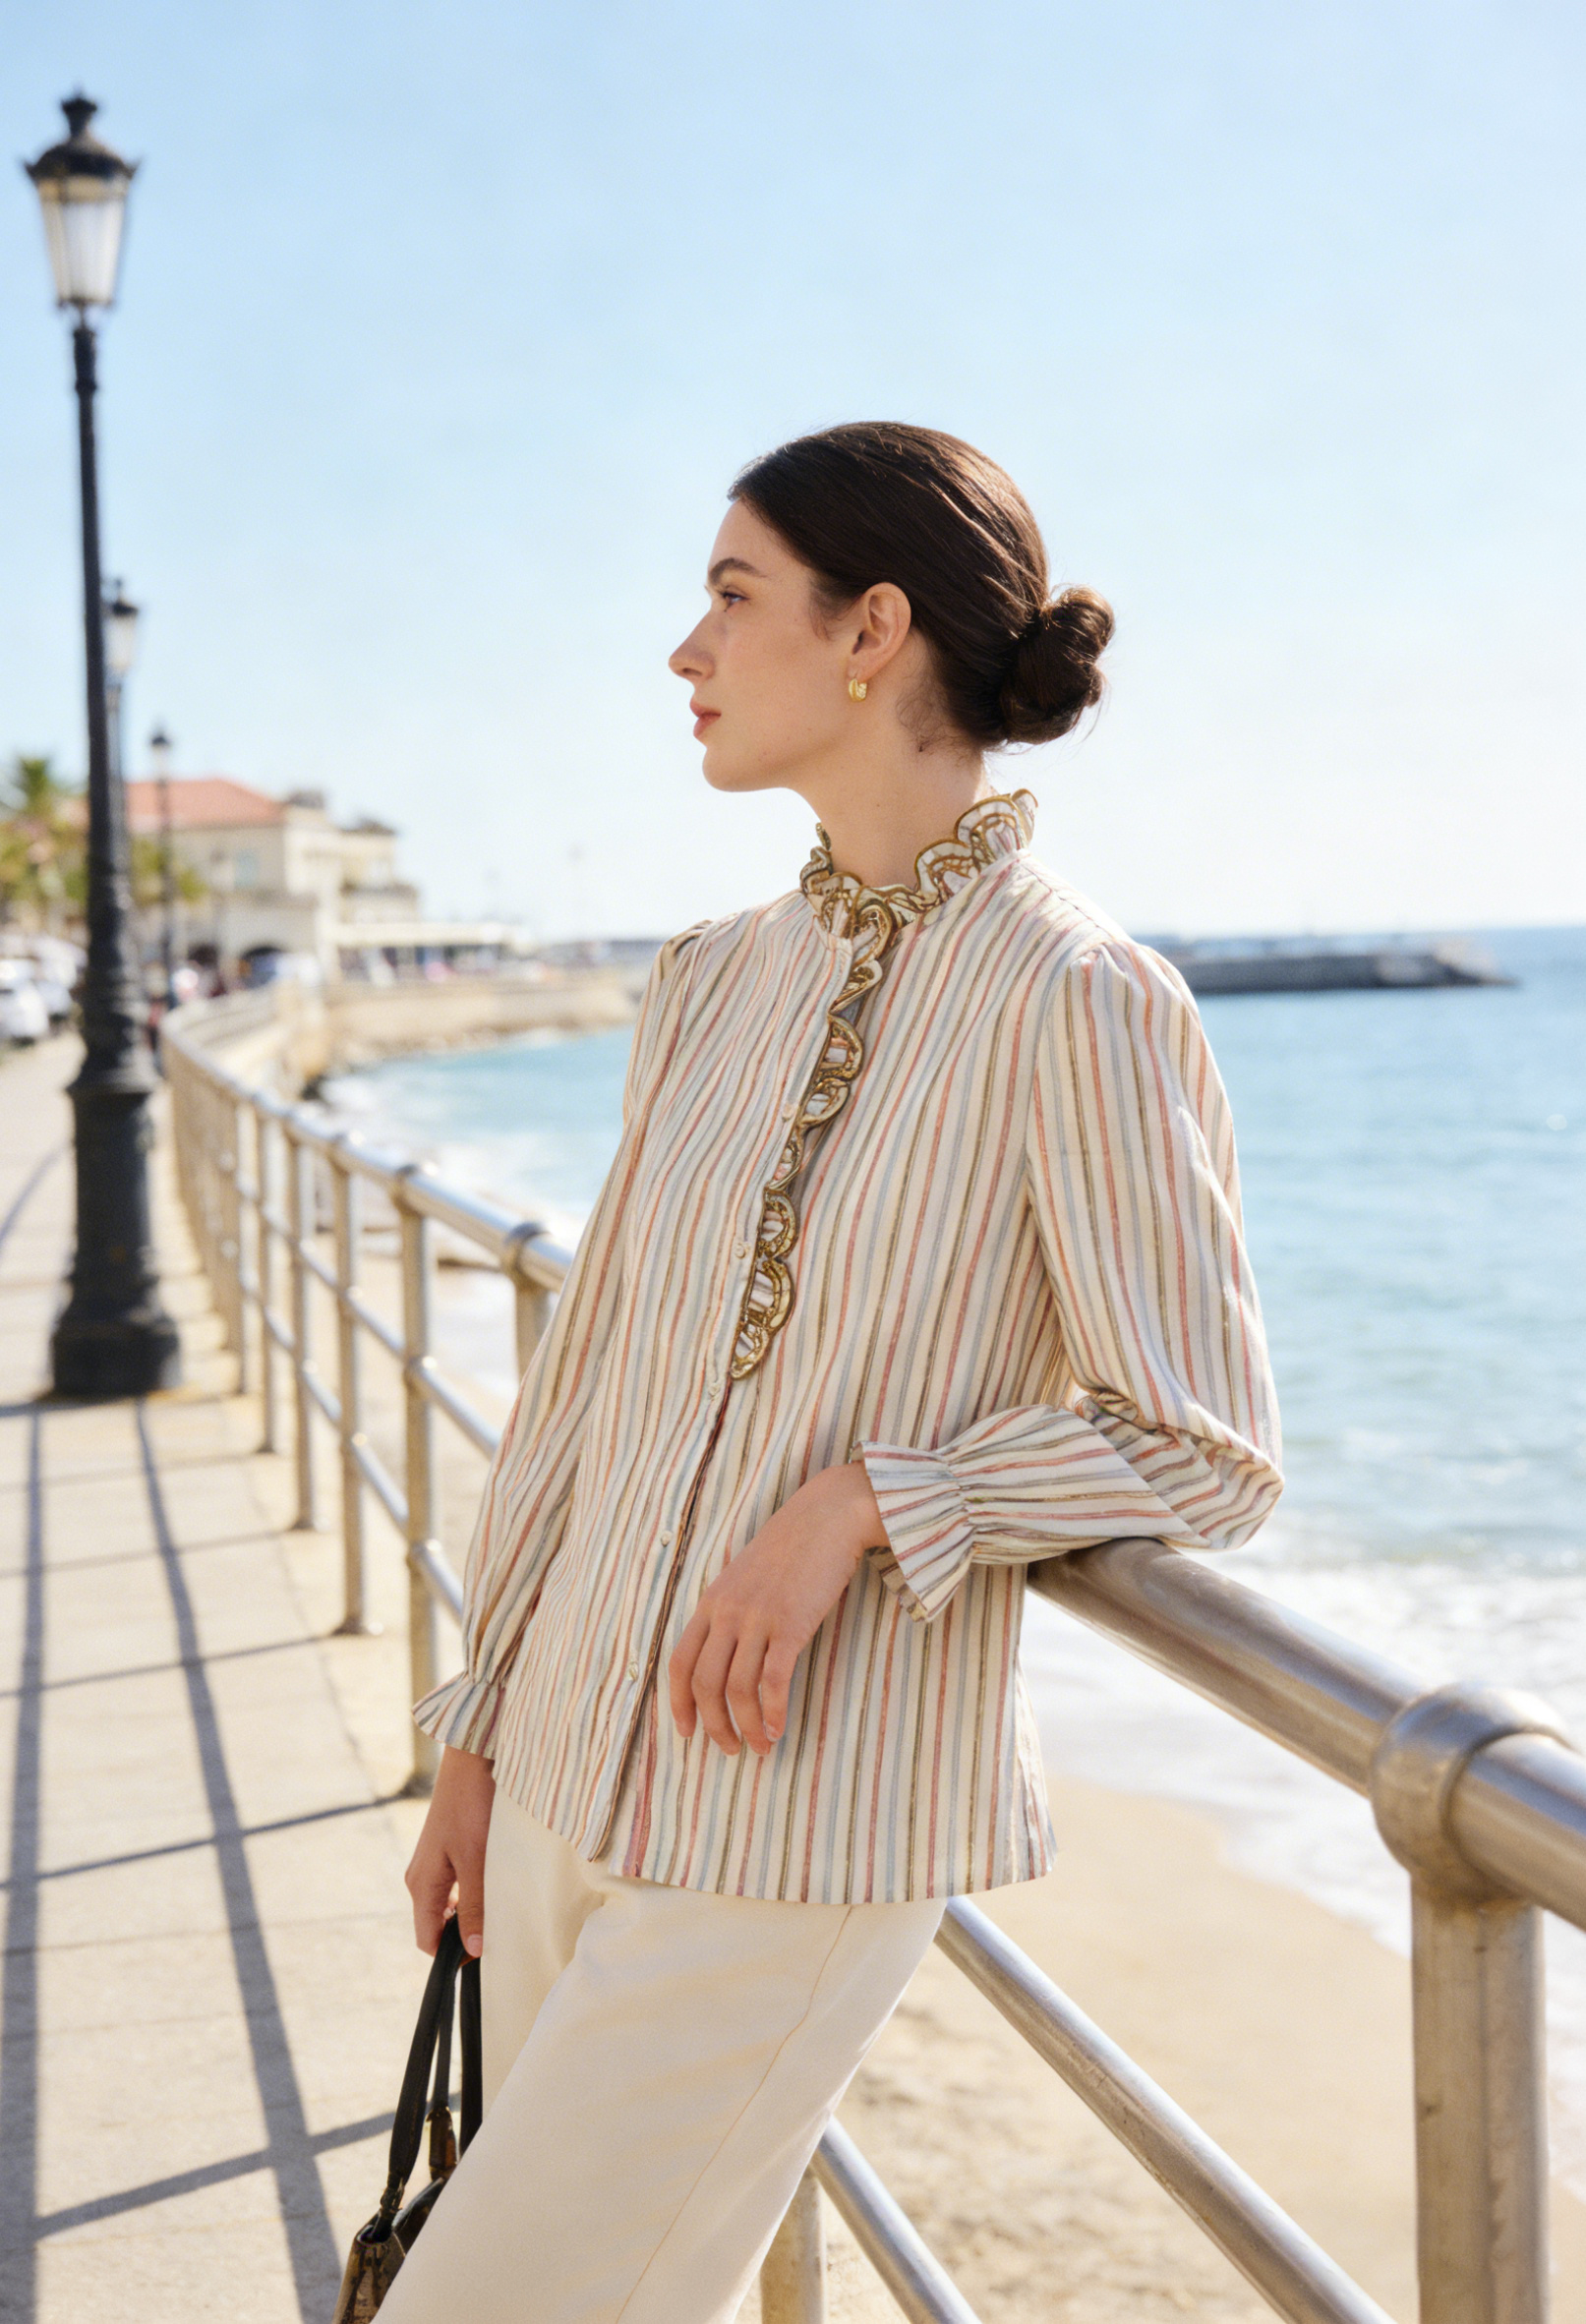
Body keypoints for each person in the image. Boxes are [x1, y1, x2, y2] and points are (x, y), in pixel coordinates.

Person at [388, 423, 1282, 2323]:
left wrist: (871, 1501)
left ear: (872, 629)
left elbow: (1200, 1446)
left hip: (800, 1820)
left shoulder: (1082, 996)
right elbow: (587, 1384)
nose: (685, 651)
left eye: (730, 595)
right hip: (552, 1760)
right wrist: (474, 1730)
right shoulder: (711, 975)